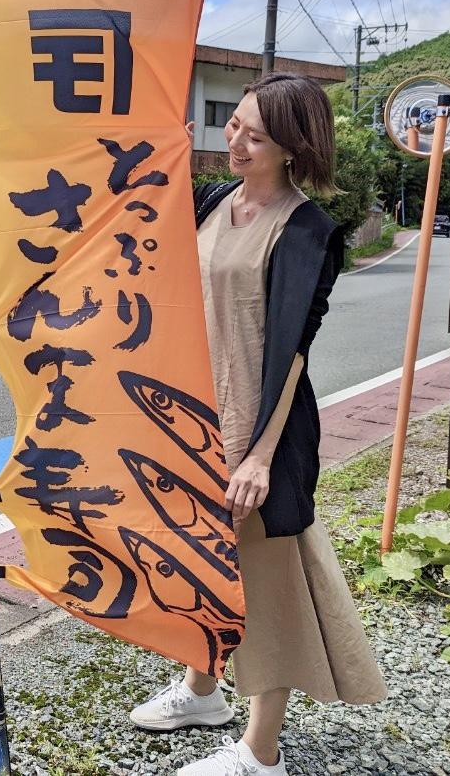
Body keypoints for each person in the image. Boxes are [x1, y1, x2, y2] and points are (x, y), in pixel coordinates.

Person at [129, 73, 387, 776]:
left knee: (268, 584)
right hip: (192, 422)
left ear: (294, 147)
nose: (234, 141)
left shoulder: (307, 231)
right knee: (201, 567)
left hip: (257, 428)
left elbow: (295, 353)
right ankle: (203, 691)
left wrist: (260, 459)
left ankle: (260, 751)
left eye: (255, 135)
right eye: (234, 125)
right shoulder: (216, 200)